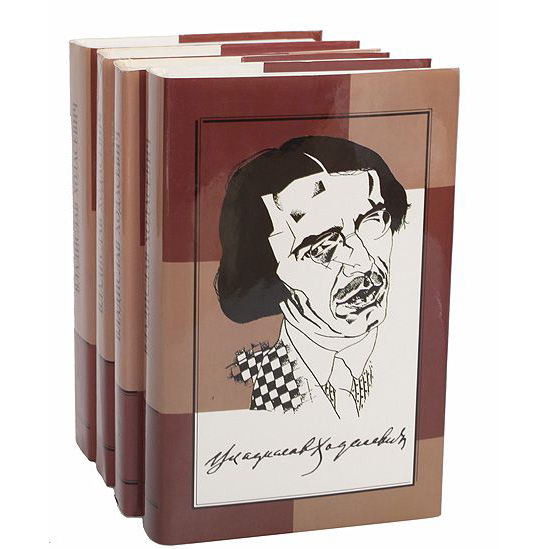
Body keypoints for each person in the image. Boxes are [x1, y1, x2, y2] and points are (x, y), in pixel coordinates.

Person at [216, 136, 408, 419]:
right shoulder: (264, 393)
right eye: (322, 247)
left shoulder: (413, 358)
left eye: (371, 222)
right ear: (268, 272)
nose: (362, 261)